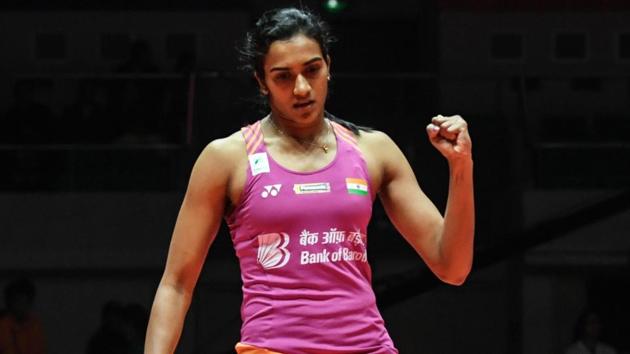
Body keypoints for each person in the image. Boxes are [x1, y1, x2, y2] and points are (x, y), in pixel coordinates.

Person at [145, 7, 474, 354]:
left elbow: (452, 267)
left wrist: (460, 166)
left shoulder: (373, 150)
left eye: (312, 70)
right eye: (283, 77)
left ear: (328, 66)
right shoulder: (227, 158)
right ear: (261, 81)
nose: (301, 88)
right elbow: (177, 284)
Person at [0, 277, 46, 354]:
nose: (22, 306)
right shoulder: (3, 327)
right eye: (18, 301)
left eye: (25, 301)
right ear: (10, 303)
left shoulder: (34, 325)